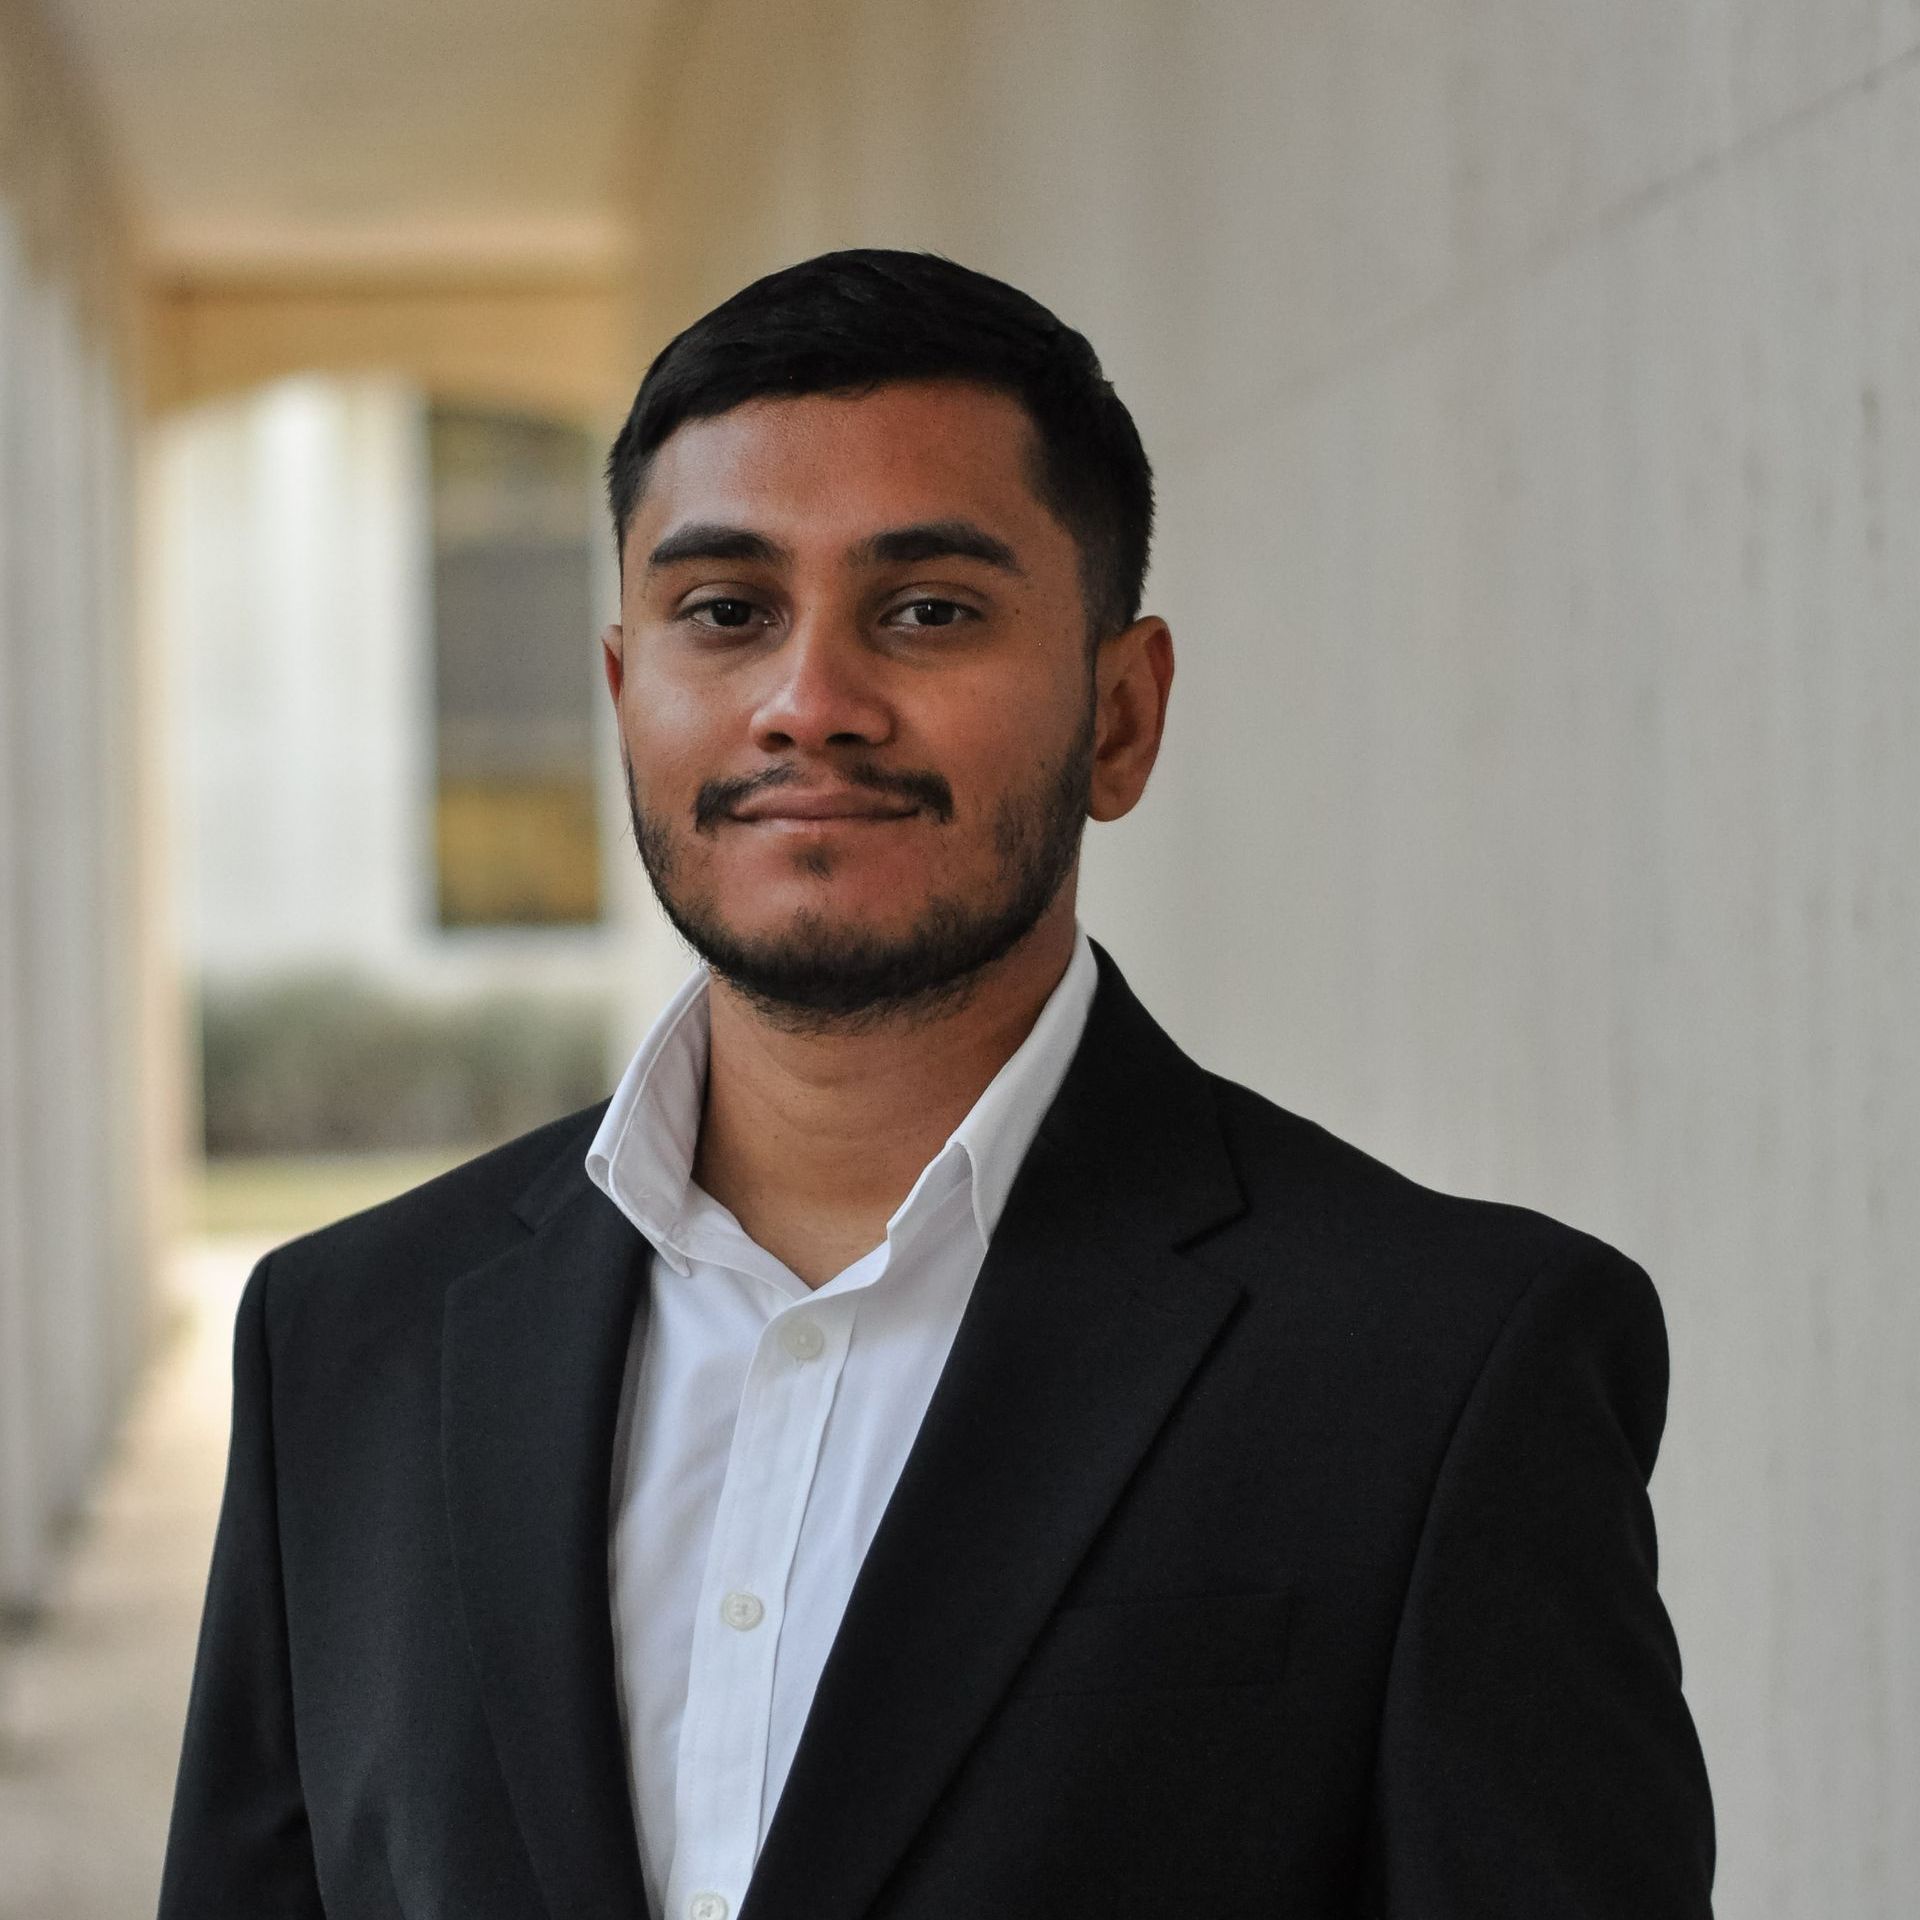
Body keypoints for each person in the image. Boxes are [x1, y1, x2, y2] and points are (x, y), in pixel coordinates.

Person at [159, 249, 1715, 1920]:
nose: (809, 703)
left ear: (1122, 718)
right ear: (628, 696)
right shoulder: (346, 1341)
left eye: (929, 610)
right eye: (726, 612)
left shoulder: (1445, 1366)